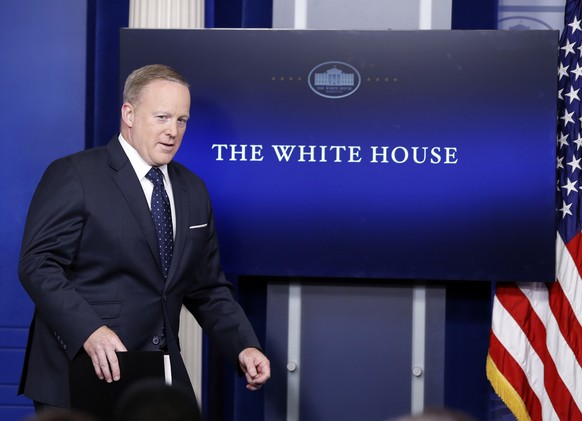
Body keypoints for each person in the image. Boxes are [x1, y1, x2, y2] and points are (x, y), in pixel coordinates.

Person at [18, 64, 270, 416]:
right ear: (129, 114)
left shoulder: (193, 190)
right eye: (163, 117)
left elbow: (208, 288)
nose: (173, 131)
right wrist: (91, 331)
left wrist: (243, 346)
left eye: (182, 120)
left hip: (159, 376)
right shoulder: (75, 174)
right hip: (80, 371)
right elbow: (37, 266)